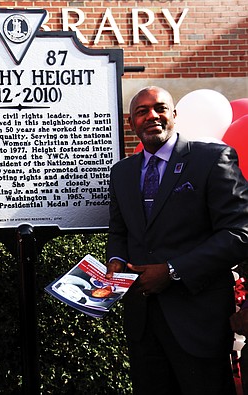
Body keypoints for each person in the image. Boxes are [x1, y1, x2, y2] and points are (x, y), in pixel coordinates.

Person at [105, 86, 248, 395]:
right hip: (143, 323)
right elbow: (119, 232)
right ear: (132, 123)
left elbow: (239, 232)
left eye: (160, 108)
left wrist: (172, 270)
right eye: (141, 111)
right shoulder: (122, 173)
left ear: (174, 115)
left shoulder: (211, 158)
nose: (151, 116)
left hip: (197, 318)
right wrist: (115, 261)